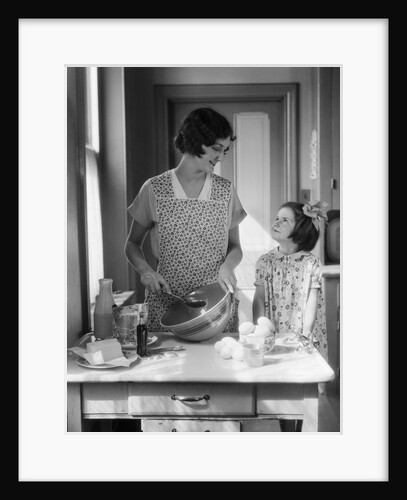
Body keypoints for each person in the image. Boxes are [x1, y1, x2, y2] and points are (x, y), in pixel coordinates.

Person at [125, 107, 247, 332]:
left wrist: (228, 267)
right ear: (194, 141)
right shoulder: (154, 189)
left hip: (215, 305)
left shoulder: (226, 191)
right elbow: (132, 244)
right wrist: (146, 271)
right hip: (167, 303)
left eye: (225, 151)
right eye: (215, 148)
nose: (220, 157)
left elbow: (236, 247)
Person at [252, 200, 329, 432]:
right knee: (276, 391)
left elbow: (311, 303)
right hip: (272, 333)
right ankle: (282, 429)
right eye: (277, 217)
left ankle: (297, 432)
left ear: (301, 228)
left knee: (300, 392)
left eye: (285, 219)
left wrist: (305, 336)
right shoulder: (264, 261)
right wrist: (260, 329)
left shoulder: (311, 263)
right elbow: (258, 299)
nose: (277, 222)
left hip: (300, 336)